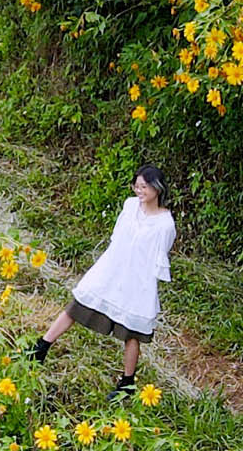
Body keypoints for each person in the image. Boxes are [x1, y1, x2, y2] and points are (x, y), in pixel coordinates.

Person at [31, 165, 176, 393]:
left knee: (131, 332)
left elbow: (158, 258)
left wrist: (145, 285)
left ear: (157, 189)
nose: (139, 191)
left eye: (144, 187)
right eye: (136, 186)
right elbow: (116, 239)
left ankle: (127, 383)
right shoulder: (130, 206)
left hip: (138, 280)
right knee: (77, 306)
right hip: (112, 269)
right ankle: (41, 347)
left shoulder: (165, 224)